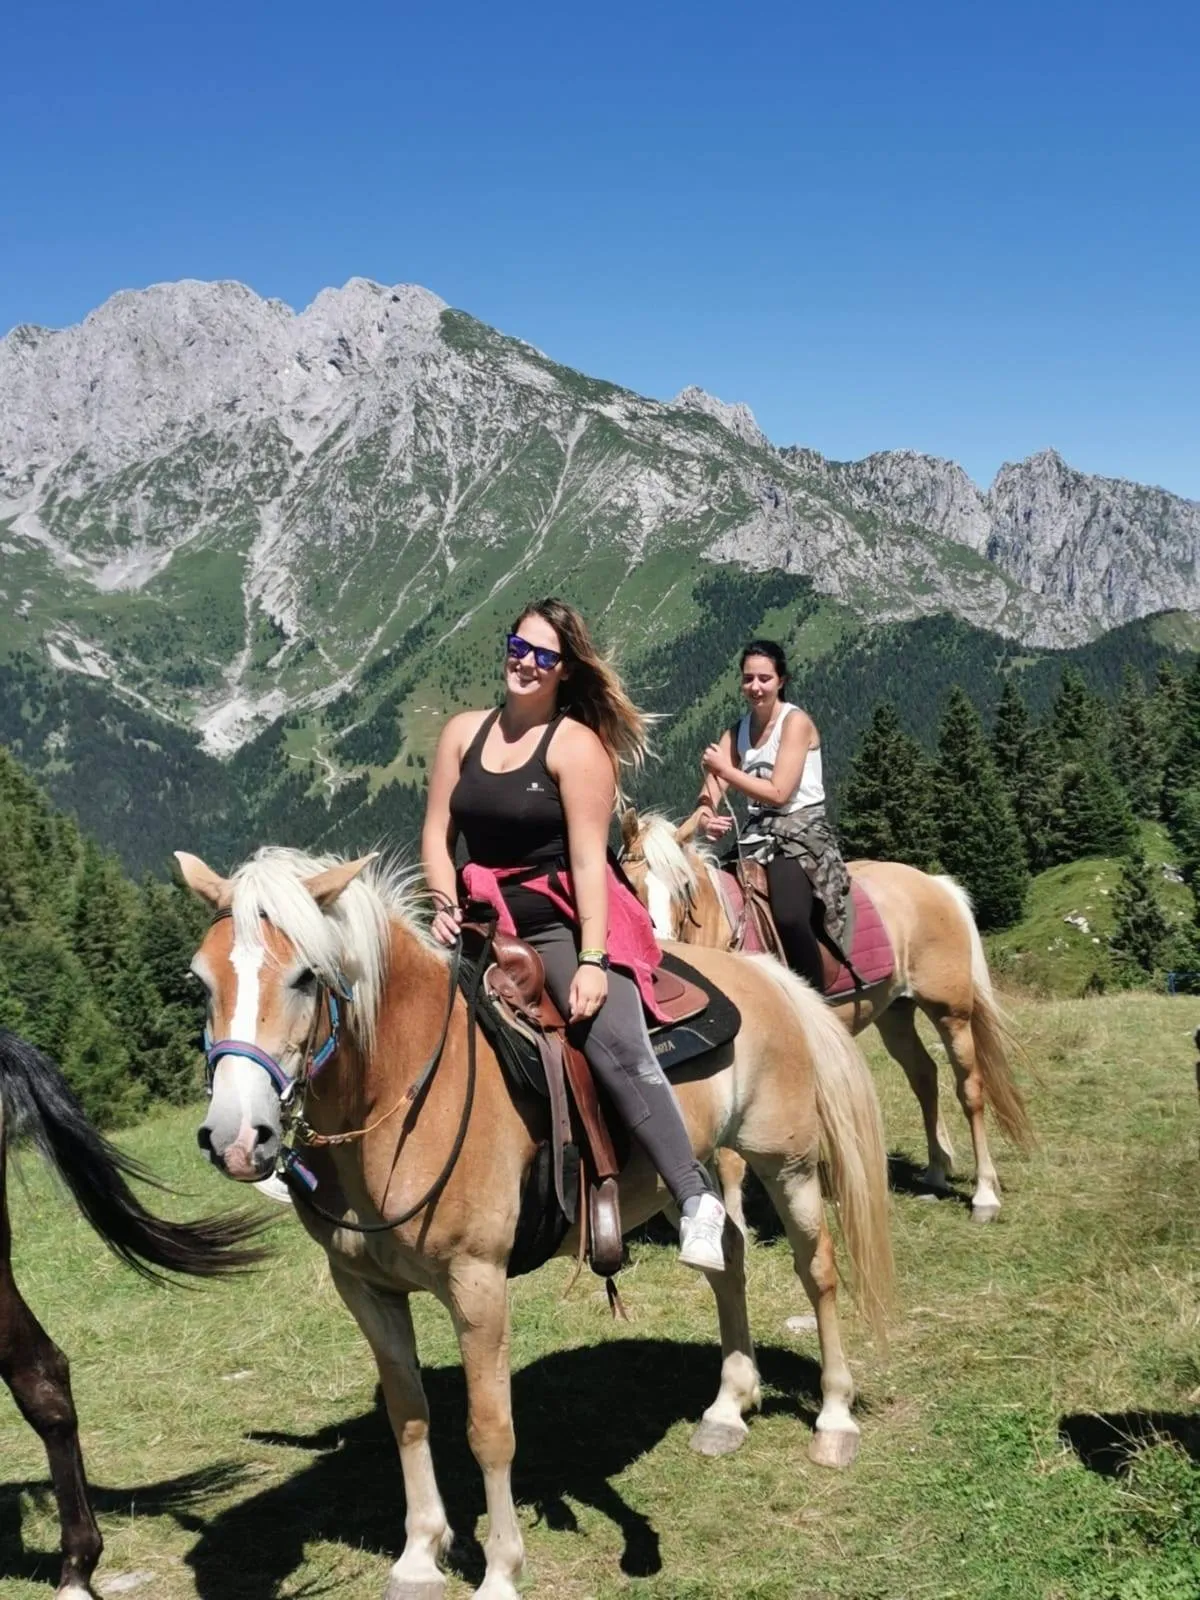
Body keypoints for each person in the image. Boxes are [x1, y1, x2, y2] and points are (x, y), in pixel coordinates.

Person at [421, 597, 727, 1273]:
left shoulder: (575, 746)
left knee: (611, 1042)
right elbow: (437, 835)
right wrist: (442, 901)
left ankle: (694, 1195)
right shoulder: (461, 734)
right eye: (517, 647)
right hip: (476, 913)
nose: (525, 664)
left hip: (558, 918)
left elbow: (590, 862)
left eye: (543, 657)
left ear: (564, 671)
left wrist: (591, 960)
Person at [695, 639, 851, 991]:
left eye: (764, 678)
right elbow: (709, 793)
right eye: (748, 678)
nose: (755, 687)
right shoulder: (738, 730)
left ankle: (815, 1002)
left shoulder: (795, 723)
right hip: (757, 833)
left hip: (800, 832)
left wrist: (727, 770)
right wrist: (706, 816)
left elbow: (780, 793)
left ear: (781, 680)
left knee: (790, 914)